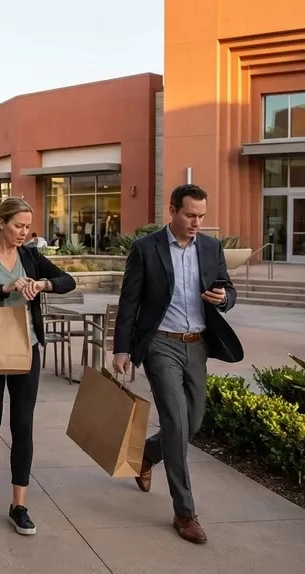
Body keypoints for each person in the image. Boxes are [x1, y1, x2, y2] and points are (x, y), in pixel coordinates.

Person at [112, 183, 243, 544]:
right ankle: (185, 512)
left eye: (201, 216)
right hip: (160, 345)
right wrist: (122, 349)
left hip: (198, 345)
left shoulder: (211, 247)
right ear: (172, 211)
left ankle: (145, 457)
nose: (197, 222)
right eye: (190, 215)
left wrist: (223, 298)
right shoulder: (145, 249)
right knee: (175, 420)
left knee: (193, 421)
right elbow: (130, 302)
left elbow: (227, 290)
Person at [0, 196, 76, 536]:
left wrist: (43, 284)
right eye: (18, 226)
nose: (24, 232)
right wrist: (5, 288)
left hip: (27, 348)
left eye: (28, 227)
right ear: (1, 223)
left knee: (23, 425)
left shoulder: (30, 255)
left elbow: (68, 280)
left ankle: (18, 505)